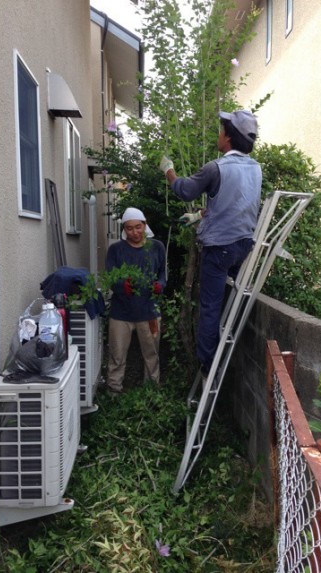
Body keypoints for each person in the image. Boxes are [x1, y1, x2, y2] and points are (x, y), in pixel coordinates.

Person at [159, 110, 262, 383]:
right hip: (243, 245)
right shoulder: (255, 168)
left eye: (221, 131)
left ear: (228, 137)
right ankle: (224, 356)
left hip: (219, 250)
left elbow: (184, 190)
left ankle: (208, 367)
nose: (218, 135)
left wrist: (168, 170)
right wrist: (200, 215)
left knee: (209, 308)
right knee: (228, 302)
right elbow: (234, 204)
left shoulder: (215, 168)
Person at [105, 207, 166, 394]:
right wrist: (121, 285)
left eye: (138, 227)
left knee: (151, 354)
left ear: (144, 225)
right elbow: (110, 277)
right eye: (129, 228)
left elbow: (163, 274)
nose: (134, 232)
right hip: (121, 313)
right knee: (117, 354)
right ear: (124, 228)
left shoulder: (156, 247)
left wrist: (160, 286)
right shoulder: (115, 249)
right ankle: (113, 391)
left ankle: (151, 390)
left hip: (149, 312)